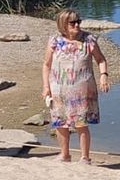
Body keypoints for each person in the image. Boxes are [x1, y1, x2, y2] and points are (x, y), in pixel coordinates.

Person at [42, 9, 109, 164]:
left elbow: (101, 60)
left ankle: (85, 157)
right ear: (63, 24)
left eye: (79, 21)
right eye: (73, 22)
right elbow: (46, 65)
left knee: (81, 122)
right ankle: (64, 154)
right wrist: (46, 87)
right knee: (60, 122)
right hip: (59, 88)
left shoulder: (89, 40)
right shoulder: (54, 41)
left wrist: (104, 76)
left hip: (82, 90)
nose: (77, 25)